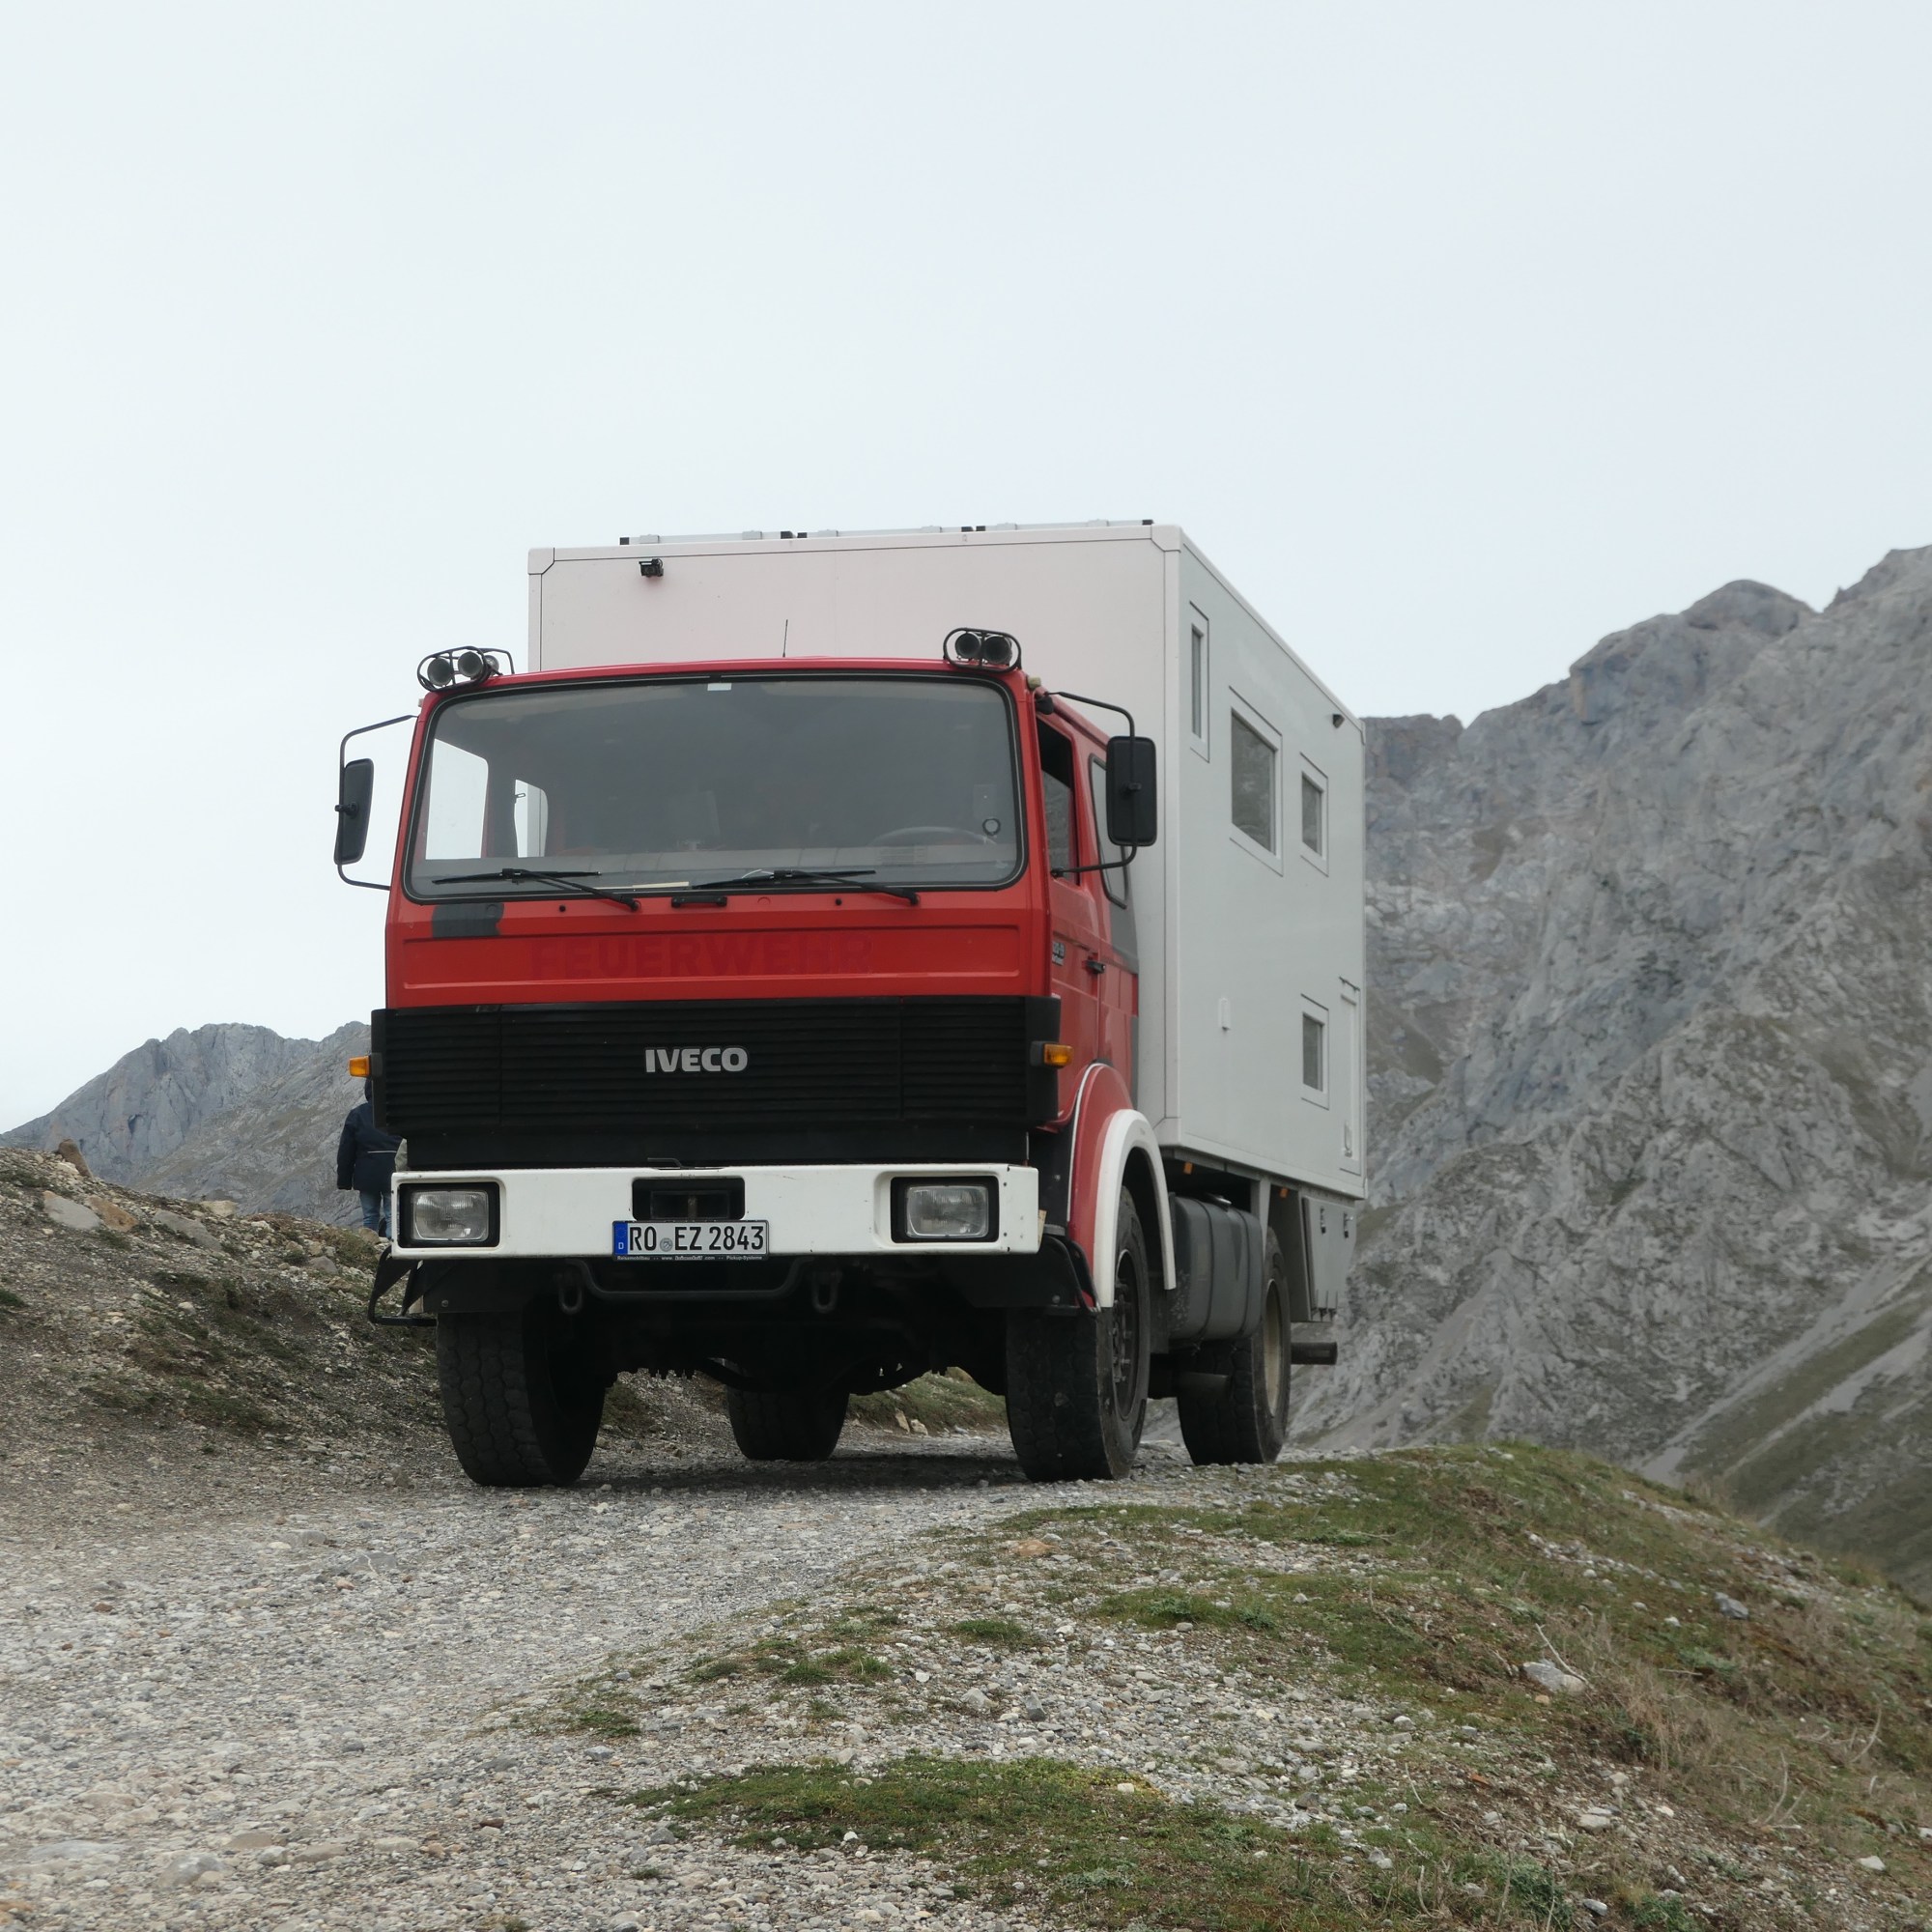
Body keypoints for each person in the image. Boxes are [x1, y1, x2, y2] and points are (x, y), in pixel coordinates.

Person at [336, 1080, 400, 1236]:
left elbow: (346, 1150)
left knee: (370, 1217)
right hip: (394, 1172)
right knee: (393, 1216)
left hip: (366, 1175)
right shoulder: (399, 1112)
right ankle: (393, 1250)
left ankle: (369, 1250)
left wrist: (344, 1180)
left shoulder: (357, 1114)